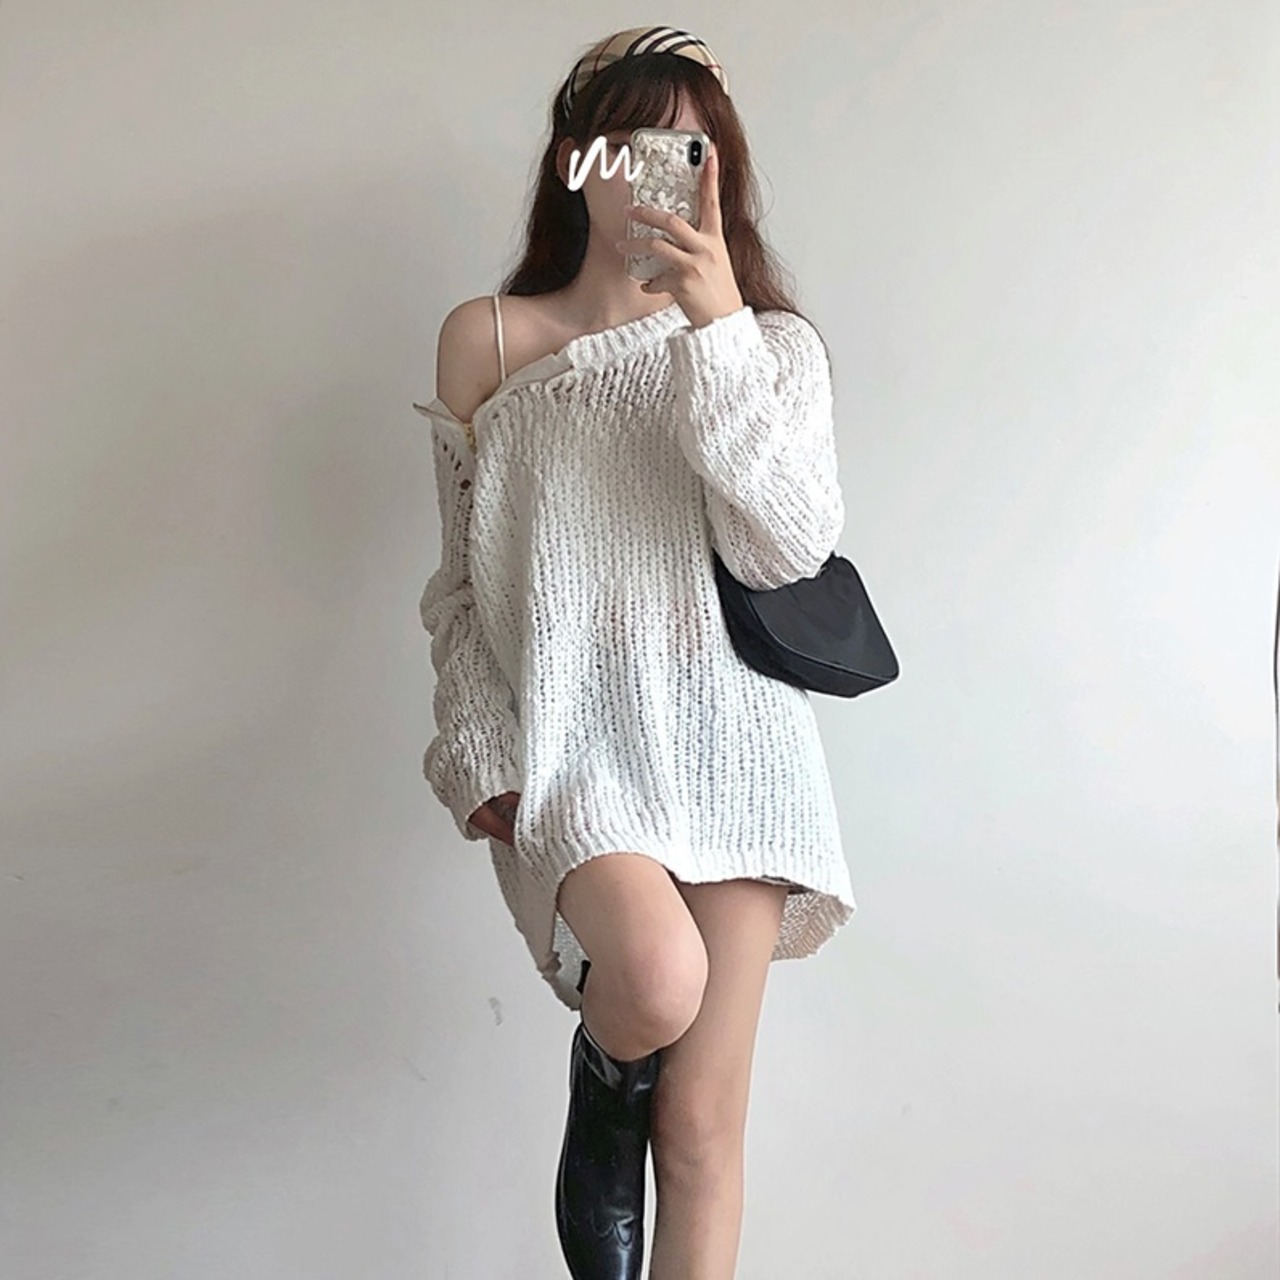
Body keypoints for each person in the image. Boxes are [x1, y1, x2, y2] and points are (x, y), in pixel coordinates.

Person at [413, 25, 858, 1280]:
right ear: (574, 162)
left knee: (704, 1129)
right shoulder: (488, 339)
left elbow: (788, 546)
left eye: (687, 147)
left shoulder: (770, 348)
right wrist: (478, 748)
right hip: (574, 746)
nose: (655, 169)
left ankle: (632, 1104)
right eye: (627, 143)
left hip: (738, 746)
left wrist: (715, 331)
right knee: (652, 979)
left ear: (720, 172)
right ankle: (606, 1072)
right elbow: (458, 589)